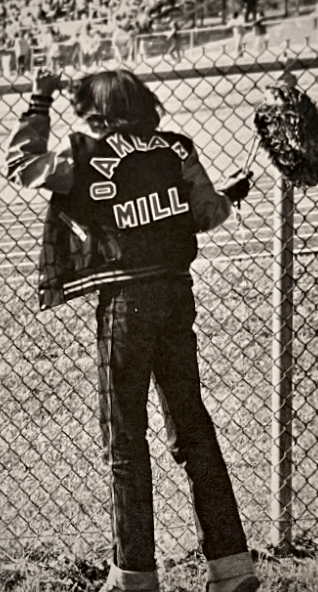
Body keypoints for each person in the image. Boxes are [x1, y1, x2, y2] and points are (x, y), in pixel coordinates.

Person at [5, 68, 259, 592]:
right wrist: (230, 193)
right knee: (193, 431)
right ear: (144, 104)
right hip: (176, 295)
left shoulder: (82, 154)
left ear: (98, 113)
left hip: (124, 304)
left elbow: (20, 163)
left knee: (124, 441)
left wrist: (38, 100)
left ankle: (134, 577)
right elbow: (206, 214)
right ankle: (233, 568)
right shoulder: (177, 148)